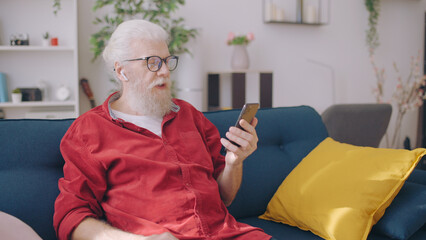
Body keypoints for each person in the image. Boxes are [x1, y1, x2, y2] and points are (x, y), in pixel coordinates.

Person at [53, 19, 272, 240]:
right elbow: (72, 216)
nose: (165, 71)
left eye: (167, 61)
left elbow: (225, 197)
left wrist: (234, 162)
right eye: (153, 62)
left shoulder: (189, 115)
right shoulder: (89, 131)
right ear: (122, 71)